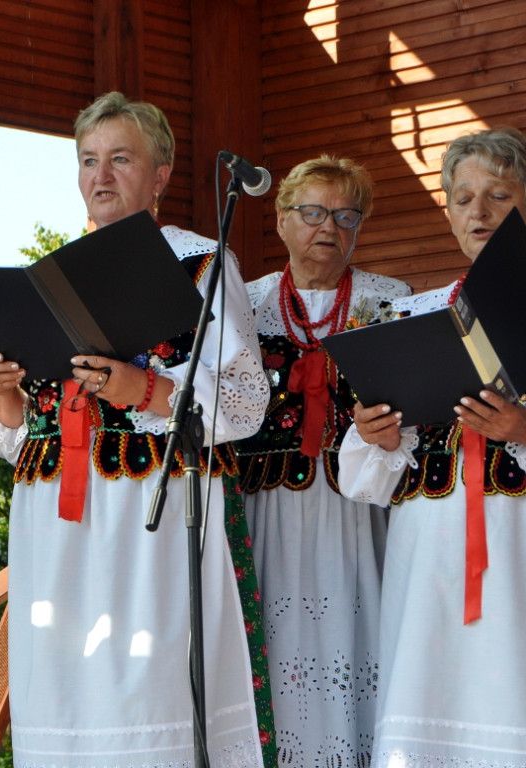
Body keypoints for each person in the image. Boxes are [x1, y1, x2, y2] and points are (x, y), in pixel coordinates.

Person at [0, 91, 271, 768]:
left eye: (119, 159)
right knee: (65, 696)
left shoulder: (199, 263)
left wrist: (149, 389)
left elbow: (247, 403)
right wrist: (8, 398)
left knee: (151, 696)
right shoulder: (48, 278)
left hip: (152, 516)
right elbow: (20, 438)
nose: (99, 176)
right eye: (87, 161)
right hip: (54, 522)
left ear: (160, 174)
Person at [339, 126, 526, 766]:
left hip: (515, 545)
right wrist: (374, 437)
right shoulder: (406, 314)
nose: (479, 212)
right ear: (446, 211)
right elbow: (362, 479)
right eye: (464, 197)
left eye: (499, 195)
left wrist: (521, 430)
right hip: (428, 557)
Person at [233, 155, 411, 766]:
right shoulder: (245, 303)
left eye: (344, 214)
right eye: (310, 212)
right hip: (265, 512)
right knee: (272, 654)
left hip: (357, 514)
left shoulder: (389, 300)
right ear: (281, 222)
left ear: (359, 228)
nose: (326, 226)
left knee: (359, 647)